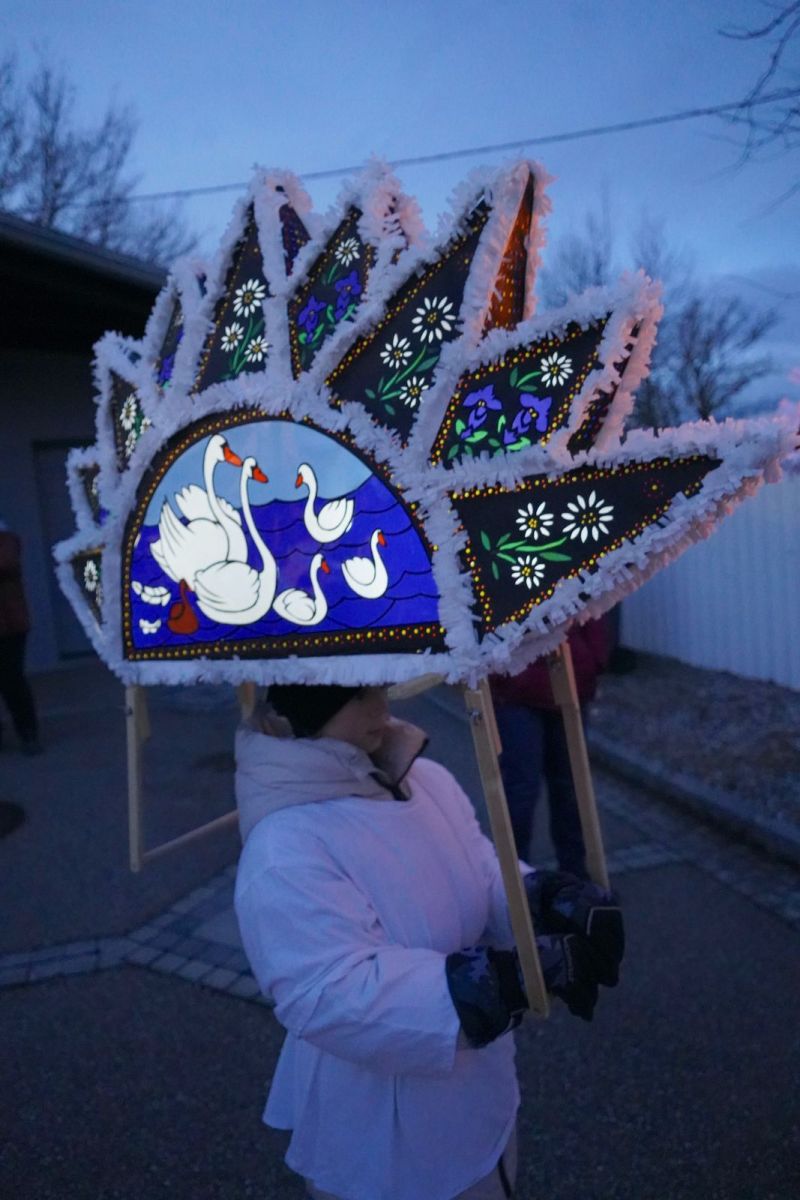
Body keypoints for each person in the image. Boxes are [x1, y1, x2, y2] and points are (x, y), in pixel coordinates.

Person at [234, 683, 623, 1200]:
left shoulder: (425, 778)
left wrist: (541, 898)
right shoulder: (284, 847)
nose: (382, 707)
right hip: (384, 1134)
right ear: (310, 705)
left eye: (380, 686)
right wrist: (497, 984)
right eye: (357, 695)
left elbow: (480, 865)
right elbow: (331, 991)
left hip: (478, 1090)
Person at [490, 617, 611, 878]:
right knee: (522, 790)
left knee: (571, 787)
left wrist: (592, 660)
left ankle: (576, 877)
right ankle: (515, 882)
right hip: (516, 690)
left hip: (570, 680)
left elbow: (593, 607)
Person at [0, 519, 40, 755]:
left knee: (12, 680)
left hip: (10, 625)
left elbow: (6, 564)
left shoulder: (6, 541)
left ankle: (28, 733)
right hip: (11, 622)